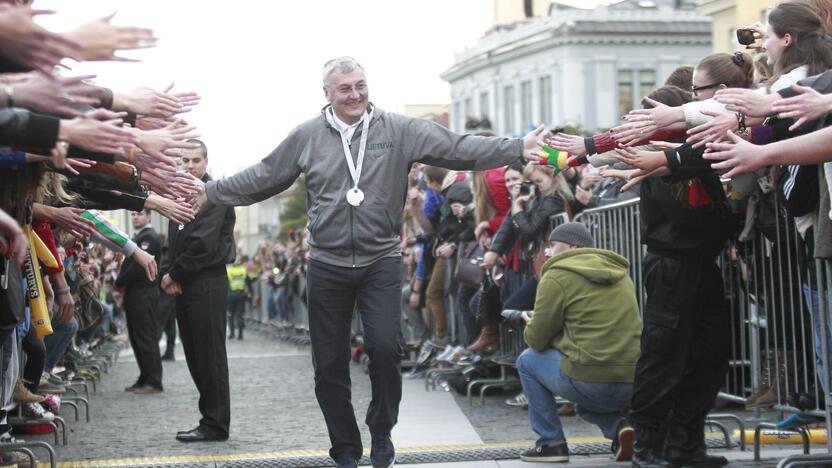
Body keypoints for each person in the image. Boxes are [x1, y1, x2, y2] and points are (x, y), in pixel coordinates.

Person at [189, 56, 543, 468]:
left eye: (360, 85)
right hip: (327, 264)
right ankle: (344, 448)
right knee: (329, 365)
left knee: (385, 350)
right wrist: (212, 193)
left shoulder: (400, 129)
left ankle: (381, 428)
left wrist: (517, 147)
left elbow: (457, 147)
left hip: (380, 261)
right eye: (345, 88)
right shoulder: (306, 136)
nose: (355, 94)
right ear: (327, 94)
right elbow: (266, 174)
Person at [516, 222, 641, 464]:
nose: (549, 252)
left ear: (572, 246)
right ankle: (622, 431)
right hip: (634, 380)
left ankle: (550, 443)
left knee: (526, 360)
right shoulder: (621, 275)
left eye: (553, 245)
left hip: (591, 380)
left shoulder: (557, 275)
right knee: (585, 405)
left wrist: (529, 322)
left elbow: (537, 339)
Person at [161, 139, 236, 443]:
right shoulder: (180, 196)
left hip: (206, 281)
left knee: (209, 356)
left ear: (206, 162)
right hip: (186, 283)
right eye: (185, 161)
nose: (189, 166)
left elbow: (203, 244)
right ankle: (209, 418)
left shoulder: (214, 195)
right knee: (194, 354)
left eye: (195, 160)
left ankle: (216, 424)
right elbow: (171, 242)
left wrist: (173, 274)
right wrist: (169, 273)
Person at [115, 209, 163, 394]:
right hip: (136, 293)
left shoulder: (149, 237)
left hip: (144, 292)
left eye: (140, 214)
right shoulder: (139, 237)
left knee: (145, 337)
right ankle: (145, 377)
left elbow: (137, 268)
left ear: (149, 216)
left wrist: (119, 282)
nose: (136, 217)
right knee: (136, 337)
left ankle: (153, 380)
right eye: (133, 214)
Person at [226, 256, 249, 340]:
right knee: (239, 315)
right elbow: (248, 282)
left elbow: (226, 283)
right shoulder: (243, 270)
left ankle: (232, 334)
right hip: (241, 294)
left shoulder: (228, 270)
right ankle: (240, 334)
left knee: (230, 314)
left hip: (231, 294)